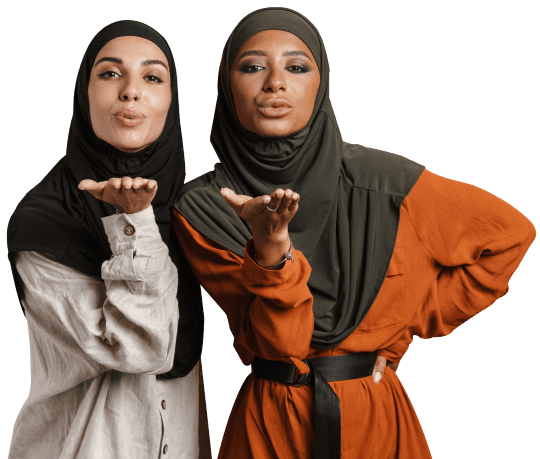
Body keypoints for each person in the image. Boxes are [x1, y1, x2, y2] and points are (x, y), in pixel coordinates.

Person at [171, 7, 536, 459]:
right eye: (252, 67)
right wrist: (272, 251)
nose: (275, 83)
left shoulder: (388, 183)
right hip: (271, 423)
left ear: (320, 83)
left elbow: (510, 234)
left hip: (375, 418)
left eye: (296, 67)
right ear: (227, 87)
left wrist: (403, 326)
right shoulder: (203, 207)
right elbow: (282, 343)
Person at [7, 20, 210, 459]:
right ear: (85, 93)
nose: (131, 91)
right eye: (110, 73)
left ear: (172, 100)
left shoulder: (188, 211)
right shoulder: (43, 224)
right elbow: (141, 348)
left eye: (152, 77)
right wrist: (134, 222)